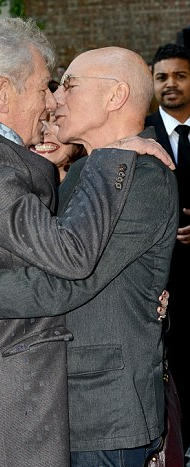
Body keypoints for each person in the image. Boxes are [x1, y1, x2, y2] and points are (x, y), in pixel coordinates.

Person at [0, 43, 178, 467]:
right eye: (51, 86)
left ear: (115, 96)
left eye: (68, 85)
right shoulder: (88, 170)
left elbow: (64, 282)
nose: (55, 99)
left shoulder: (142, 178)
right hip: (57, 404)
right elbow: (14, 254)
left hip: (103, 413)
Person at [145, 42, 190, 464]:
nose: (170, 84)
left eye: (179, 75)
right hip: (161, 284)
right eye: (162, 77)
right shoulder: (141, 136)